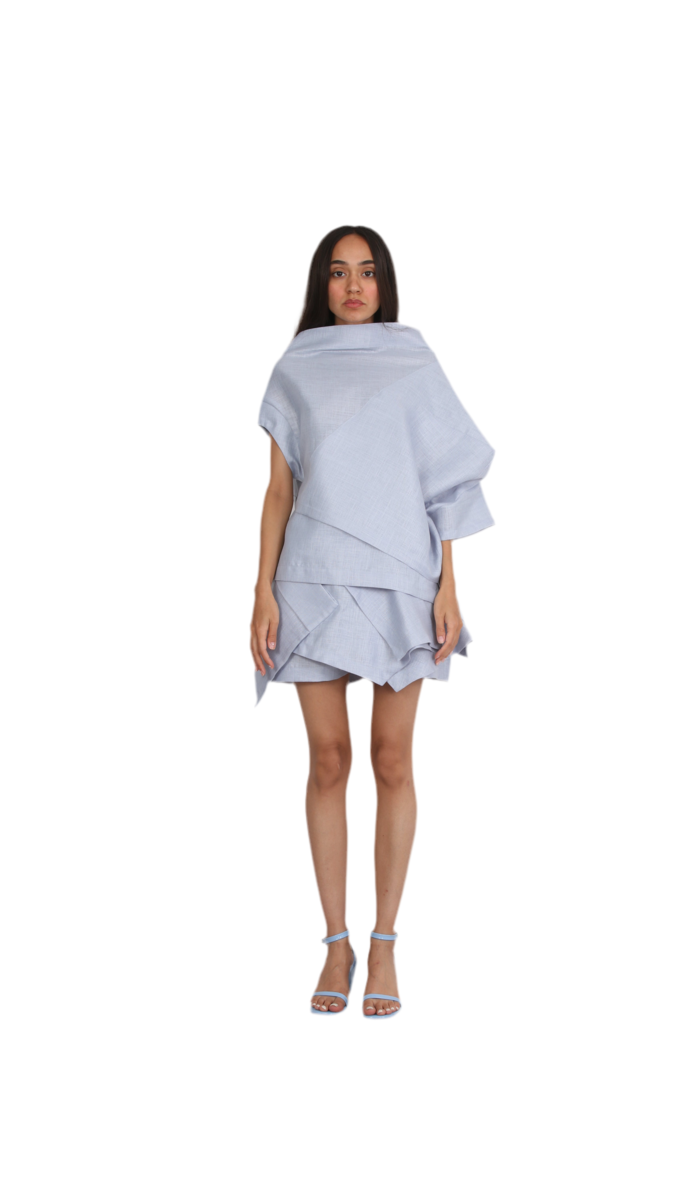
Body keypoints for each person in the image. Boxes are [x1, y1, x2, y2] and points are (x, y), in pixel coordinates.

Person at [250, 225, 495, 1018]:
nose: (353, 285)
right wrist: (261, 591)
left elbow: (442, 479)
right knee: (328, 761)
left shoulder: (412, 361)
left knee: (392, 759)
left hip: (401, 580)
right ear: (321, 285)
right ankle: (336, 942)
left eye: (366, 272)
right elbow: (280, 490)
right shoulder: (296, 366)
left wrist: (449, 585)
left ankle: (385, 942)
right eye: (337, 272)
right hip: (311, 575)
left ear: (384, 283)